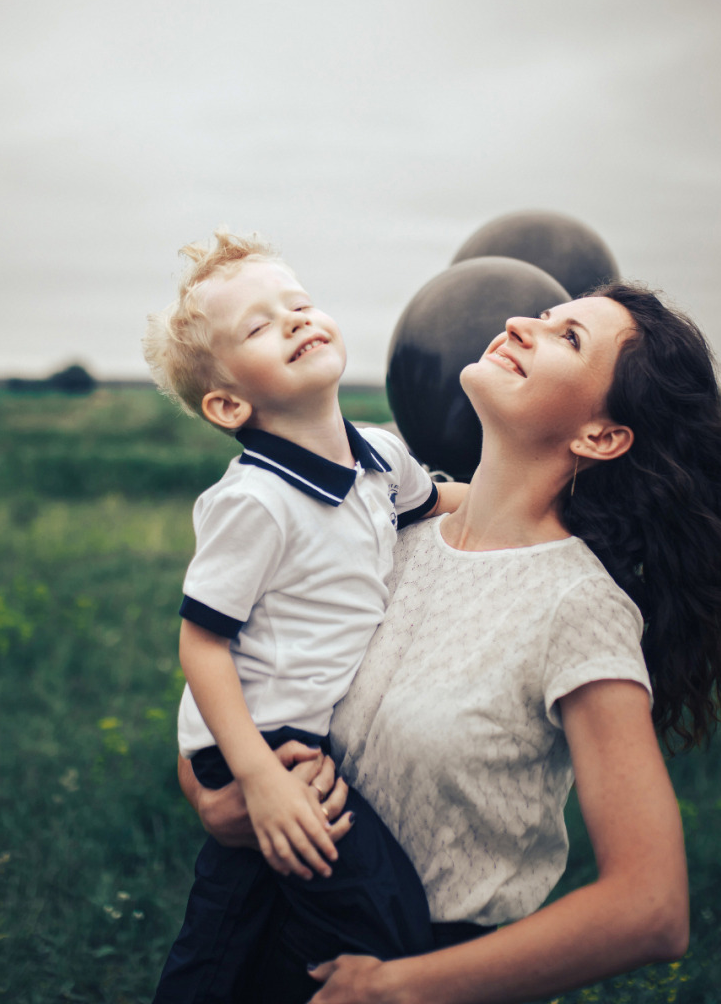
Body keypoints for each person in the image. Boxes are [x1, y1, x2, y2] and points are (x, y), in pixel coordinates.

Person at [177, 282, 721, 1003]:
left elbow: (651, 909)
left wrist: (405, 988)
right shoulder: (385, 530)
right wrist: (212, 795)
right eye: (542, 316)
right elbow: (237, 672)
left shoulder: (578, 608)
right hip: (262, 926)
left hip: (412, 968)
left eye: (568, 337)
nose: (518, 322)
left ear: (600, 437)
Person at [142, 228, 468, 1003]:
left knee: (235, 927)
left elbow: (443, 503)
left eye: (299, 304)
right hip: (259, 750)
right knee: (382, 921)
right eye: (258, 326)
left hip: (305, 742)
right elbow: (201, 645)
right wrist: (257, 776)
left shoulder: (380, 457)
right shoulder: (254, 501)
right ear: (227, 403)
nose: (293, 320)